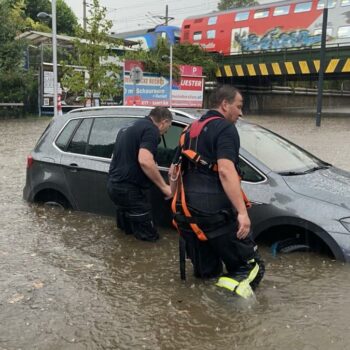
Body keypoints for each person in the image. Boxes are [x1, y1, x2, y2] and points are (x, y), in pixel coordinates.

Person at [169, 85, 264, 299]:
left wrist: (172, 197)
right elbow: (226, 171)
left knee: (207, 274)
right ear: (224, 104)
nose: (241, 113)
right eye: (238, 107)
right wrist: (242, 212)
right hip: (214, 213)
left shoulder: (188, 130)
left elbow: (173, 173)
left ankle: (202, 316)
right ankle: (226, 314)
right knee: (252, 268)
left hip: (185, 215)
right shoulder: (225, 128)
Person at [107, 106, 173, 242]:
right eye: (169, 127)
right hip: (130, 190)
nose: (165, 133)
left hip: (114, 186)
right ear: (164, 122)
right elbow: (145, 161)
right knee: (149, 239)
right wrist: (164, 187)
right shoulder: (151, 130)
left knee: (127, 235)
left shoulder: (130, 126)